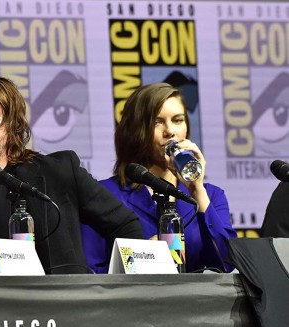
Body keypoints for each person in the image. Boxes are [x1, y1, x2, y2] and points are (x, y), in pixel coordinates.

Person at [0, 74, 144, 274]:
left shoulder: (59, 173)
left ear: (11, 124)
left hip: (58, 313)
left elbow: (125, 226)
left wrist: (107, 293)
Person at [82, 82, 237, 273]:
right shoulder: (104, 195)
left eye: (178, 120)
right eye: (157, 122)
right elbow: (90, 272)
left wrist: (197, 190)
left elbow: (228, 264)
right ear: (136, 130)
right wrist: (142, 259)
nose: (170, 131)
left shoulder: (211, 196)